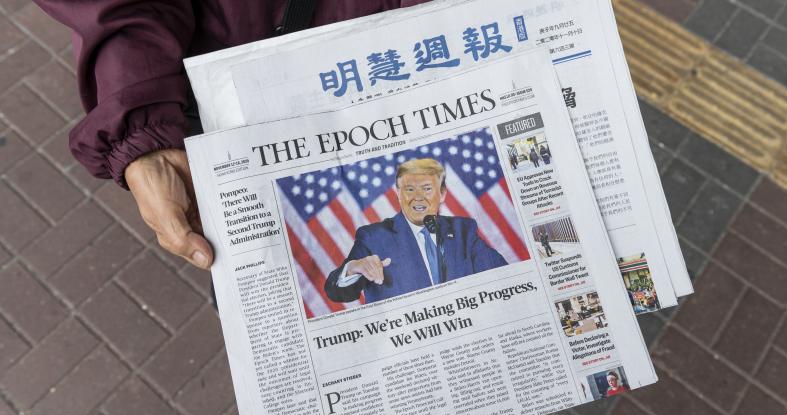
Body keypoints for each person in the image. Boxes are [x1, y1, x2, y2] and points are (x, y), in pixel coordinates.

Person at [33, 0, 427, 270]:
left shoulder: (468, 230)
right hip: (257, 99)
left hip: (459, 67)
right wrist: (141, 128)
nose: (416, 198)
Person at [324, 158, 507, 303]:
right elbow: (336, 292)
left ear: (442, 194)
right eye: (409, 189)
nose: (418, 198)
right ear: (398, 194)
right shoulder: (374, 237)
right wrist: (353, 268)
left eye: (427, 189)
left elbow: (504, 277)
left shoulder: (462, 230)